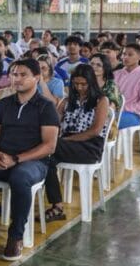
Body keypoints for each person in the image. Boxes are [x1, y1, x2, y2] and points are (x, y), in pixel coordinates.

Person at [0, 58, 60, 261]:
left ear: (37, 78)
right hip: (3, 158)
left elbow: (49, 146)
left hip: (33, 161)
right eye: (13, 74)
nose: (16, 79)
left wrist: (16, 159)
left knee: (20, 178)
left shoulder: (45, 107)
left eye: (22, 75)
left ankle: (15, 236)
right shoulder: (3, 104)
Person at [43, 64, 109, 222]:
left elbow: (94, 131)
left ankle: (55, 206)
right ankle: (57, 206)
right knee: (45, 159)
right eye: (76, 83)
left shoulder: (101, 100)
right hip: (65, 144)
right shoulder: (66, 101)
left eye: (83, 84)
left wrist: (64, 140)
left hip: (90, 146)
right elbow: (55, 123)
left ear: (91, 83)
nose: (79, 87)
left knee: (48, 147)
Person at [114, 43, 140, 133]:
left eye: (130, 55)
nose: (125, 57)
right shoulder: (116, 74)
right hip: (114, 111)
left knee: (105, 121)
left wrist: (123, 108)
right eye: (124, 54)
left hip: (134, 115)